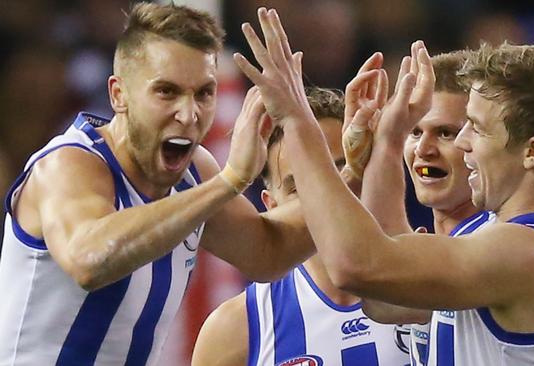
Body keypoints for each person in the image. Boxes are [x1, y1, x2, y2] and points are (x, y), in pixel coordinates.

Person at [234, 8, 534, 365]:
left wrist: (298, 121)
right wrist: (387, 142)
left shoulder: (526, 252)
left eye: (476, 129)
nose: (463, 142)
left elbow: (358, 267)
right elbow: (386, 300)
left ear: (532, 151)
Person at [0, 3, 318, 365]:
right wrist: (230, 181)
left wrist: (351, 170)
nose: (189, 114)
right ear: (118, 95)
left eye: (204, 93)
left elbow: (268, 253)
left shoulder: (194, 173)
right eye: (167, 92)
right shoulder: (67, 164)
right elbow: (89, 260)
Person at [192, 87, 409, 366]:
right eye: (303, 185)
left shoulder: (433, 284)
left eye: (341, 172)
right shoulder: (236, 329)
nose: (329, 198)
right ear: (271, 205)